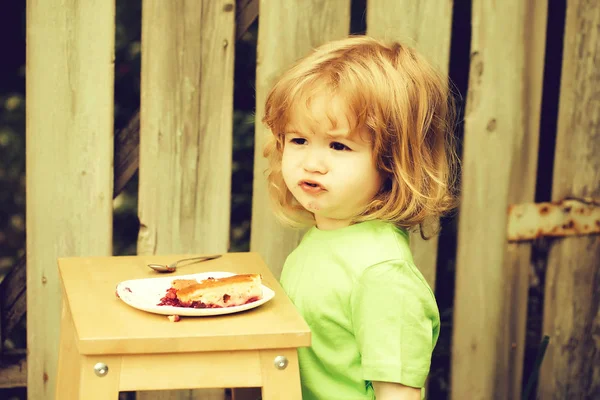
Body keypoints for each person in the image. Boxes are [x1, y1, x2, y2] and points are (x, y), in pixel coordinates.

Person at [261, 35, 458, 400]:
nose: (312, 162)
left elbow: (397, 394)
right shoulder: (328, 236)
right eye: (299, 140)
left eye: (339, 145)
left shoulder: (382, 274)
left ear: (393, 162)